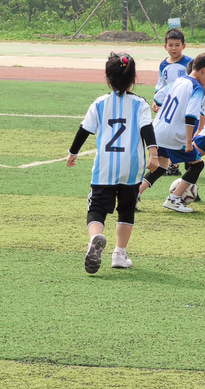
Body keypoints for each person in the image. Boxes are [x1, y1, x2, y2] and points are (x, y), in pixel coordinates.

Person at [67, 52, 159, 274]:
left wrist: (73, 152)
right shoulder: (140, 104)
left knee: (97, 208)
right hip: (131, 168)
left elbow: (84, 129)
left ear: (107, 78)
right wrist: (153, 155)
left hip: (105, 167)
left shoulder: (99, 104)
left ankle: (94, 239)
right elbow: (147, 130)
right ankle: (119, 253)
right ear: (133, 78)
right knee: (126, 209)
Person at [138, 53, 205, 213]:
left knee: (162, 167)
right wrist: (189, 142)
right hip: (174, 135)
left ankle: (135, 193)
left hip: (158, 131)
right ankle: (174, 199)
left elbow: (158, 97)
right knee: (197, 165)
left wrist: (161, 107)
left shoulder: (178, 80)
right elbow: (190, 116)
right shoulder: (197, 88)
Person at [153, 28, 195, 176]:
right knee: (169, 131)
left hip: (186, 105)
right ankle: (173, 165)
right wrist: (156, 100)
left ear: (183, 46)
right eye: (170, 45)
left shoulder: (190, 63)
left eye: (177, 45)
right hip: (170, 105)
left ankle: (198, 165)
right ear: (165, 46)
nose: (173, 48)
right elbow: (161, 85)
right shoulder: (163, 65)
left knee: (187, 134)